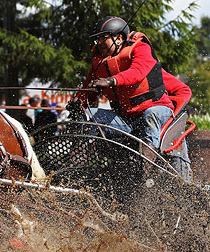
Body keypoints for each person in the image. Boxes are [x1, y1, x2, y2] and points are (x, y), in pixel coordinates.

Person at [68, 16, 192, 159]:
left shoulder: (141, 48)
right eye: (98, 39)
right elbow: (87, 90)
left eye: (104, 38)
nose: (100, 42)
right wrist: (78, 101)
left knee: (149, 115)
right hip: (125, 119)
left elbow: (137, 72)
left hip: (158, 111)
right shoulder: (100, 61)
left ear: (119, 38)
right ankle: (77, 167)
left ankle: (147, 176)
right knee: (89, 118)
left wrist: (111, 81)